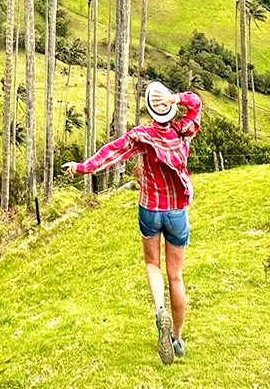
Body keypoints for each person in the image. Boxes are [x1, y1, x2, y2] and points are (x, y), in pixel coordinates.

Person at [62, 82, 202, 365]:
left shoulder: (142, 136)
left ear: (150, 110)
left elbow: (111, 153)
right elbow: (196, 103)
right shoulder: (183, 131)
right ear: (171, 108)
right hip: (176, 212)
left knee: (152, 264)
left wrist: (80, 167)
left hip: (149, 208)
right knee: (176, 276)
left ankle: (160, 308)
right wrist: (175, 97)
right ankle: (176, 338)